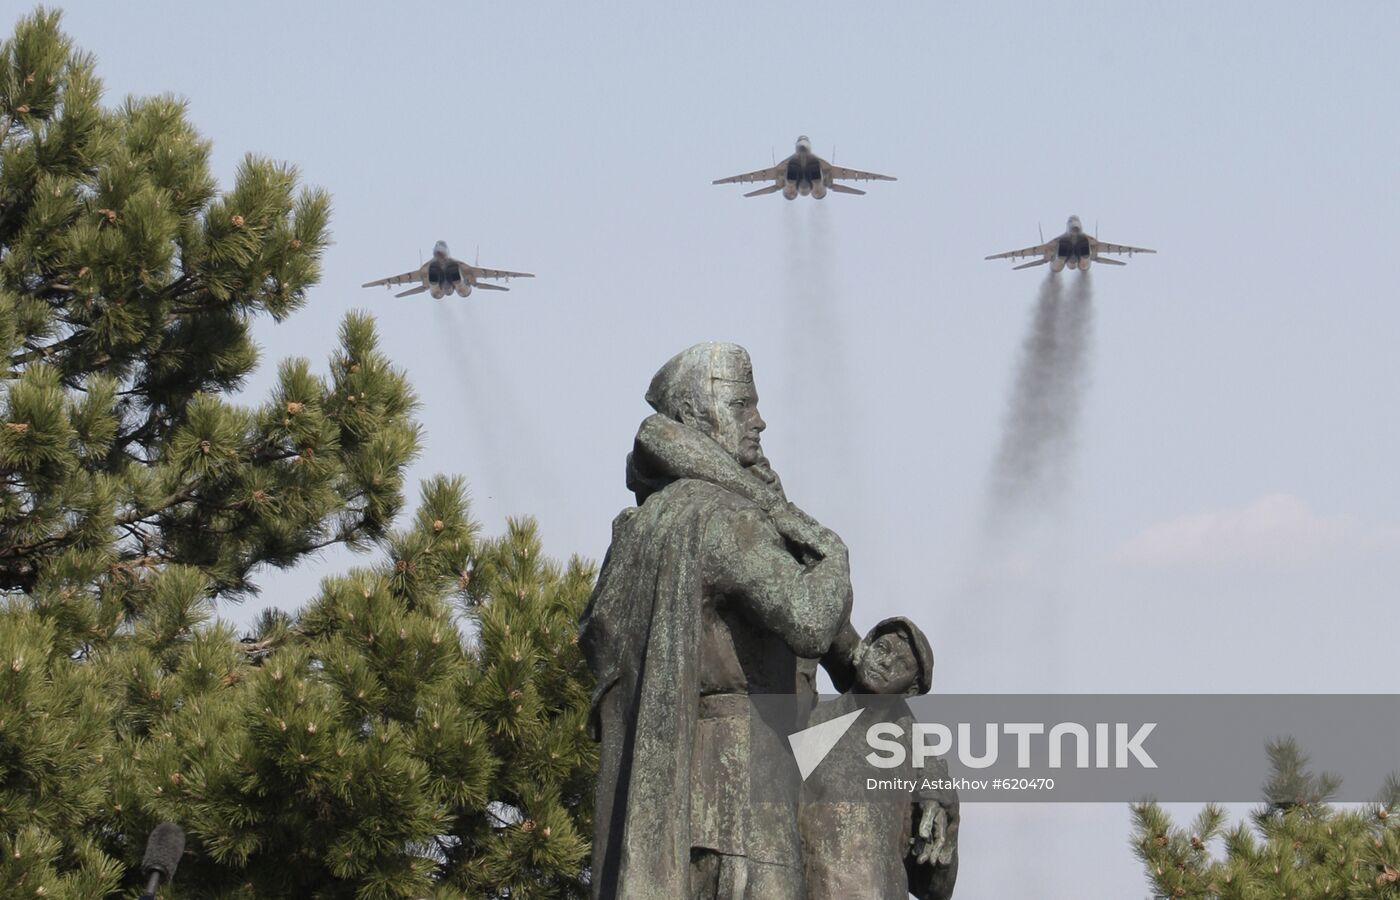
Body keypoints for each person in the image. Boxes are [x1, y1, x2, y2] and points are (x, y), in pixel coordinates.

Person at [580, 343, 856, 899]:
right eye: (741, 405)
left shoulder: (645, 525)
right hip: (744, 798)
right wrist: (831, 550)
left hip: (679, 799)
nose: (759, 420)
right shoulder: (725, 517)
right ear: (695, 418)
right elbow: (808, 619)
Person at [801, 618, 959, 900]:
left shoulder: (913, 767)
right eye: (882, 648)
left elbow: (934, 889)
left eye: (902, 664)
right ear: (863, 650)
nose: (886, 663)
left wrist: (951, 818)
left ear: (911, 689)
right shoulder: (808, 728)